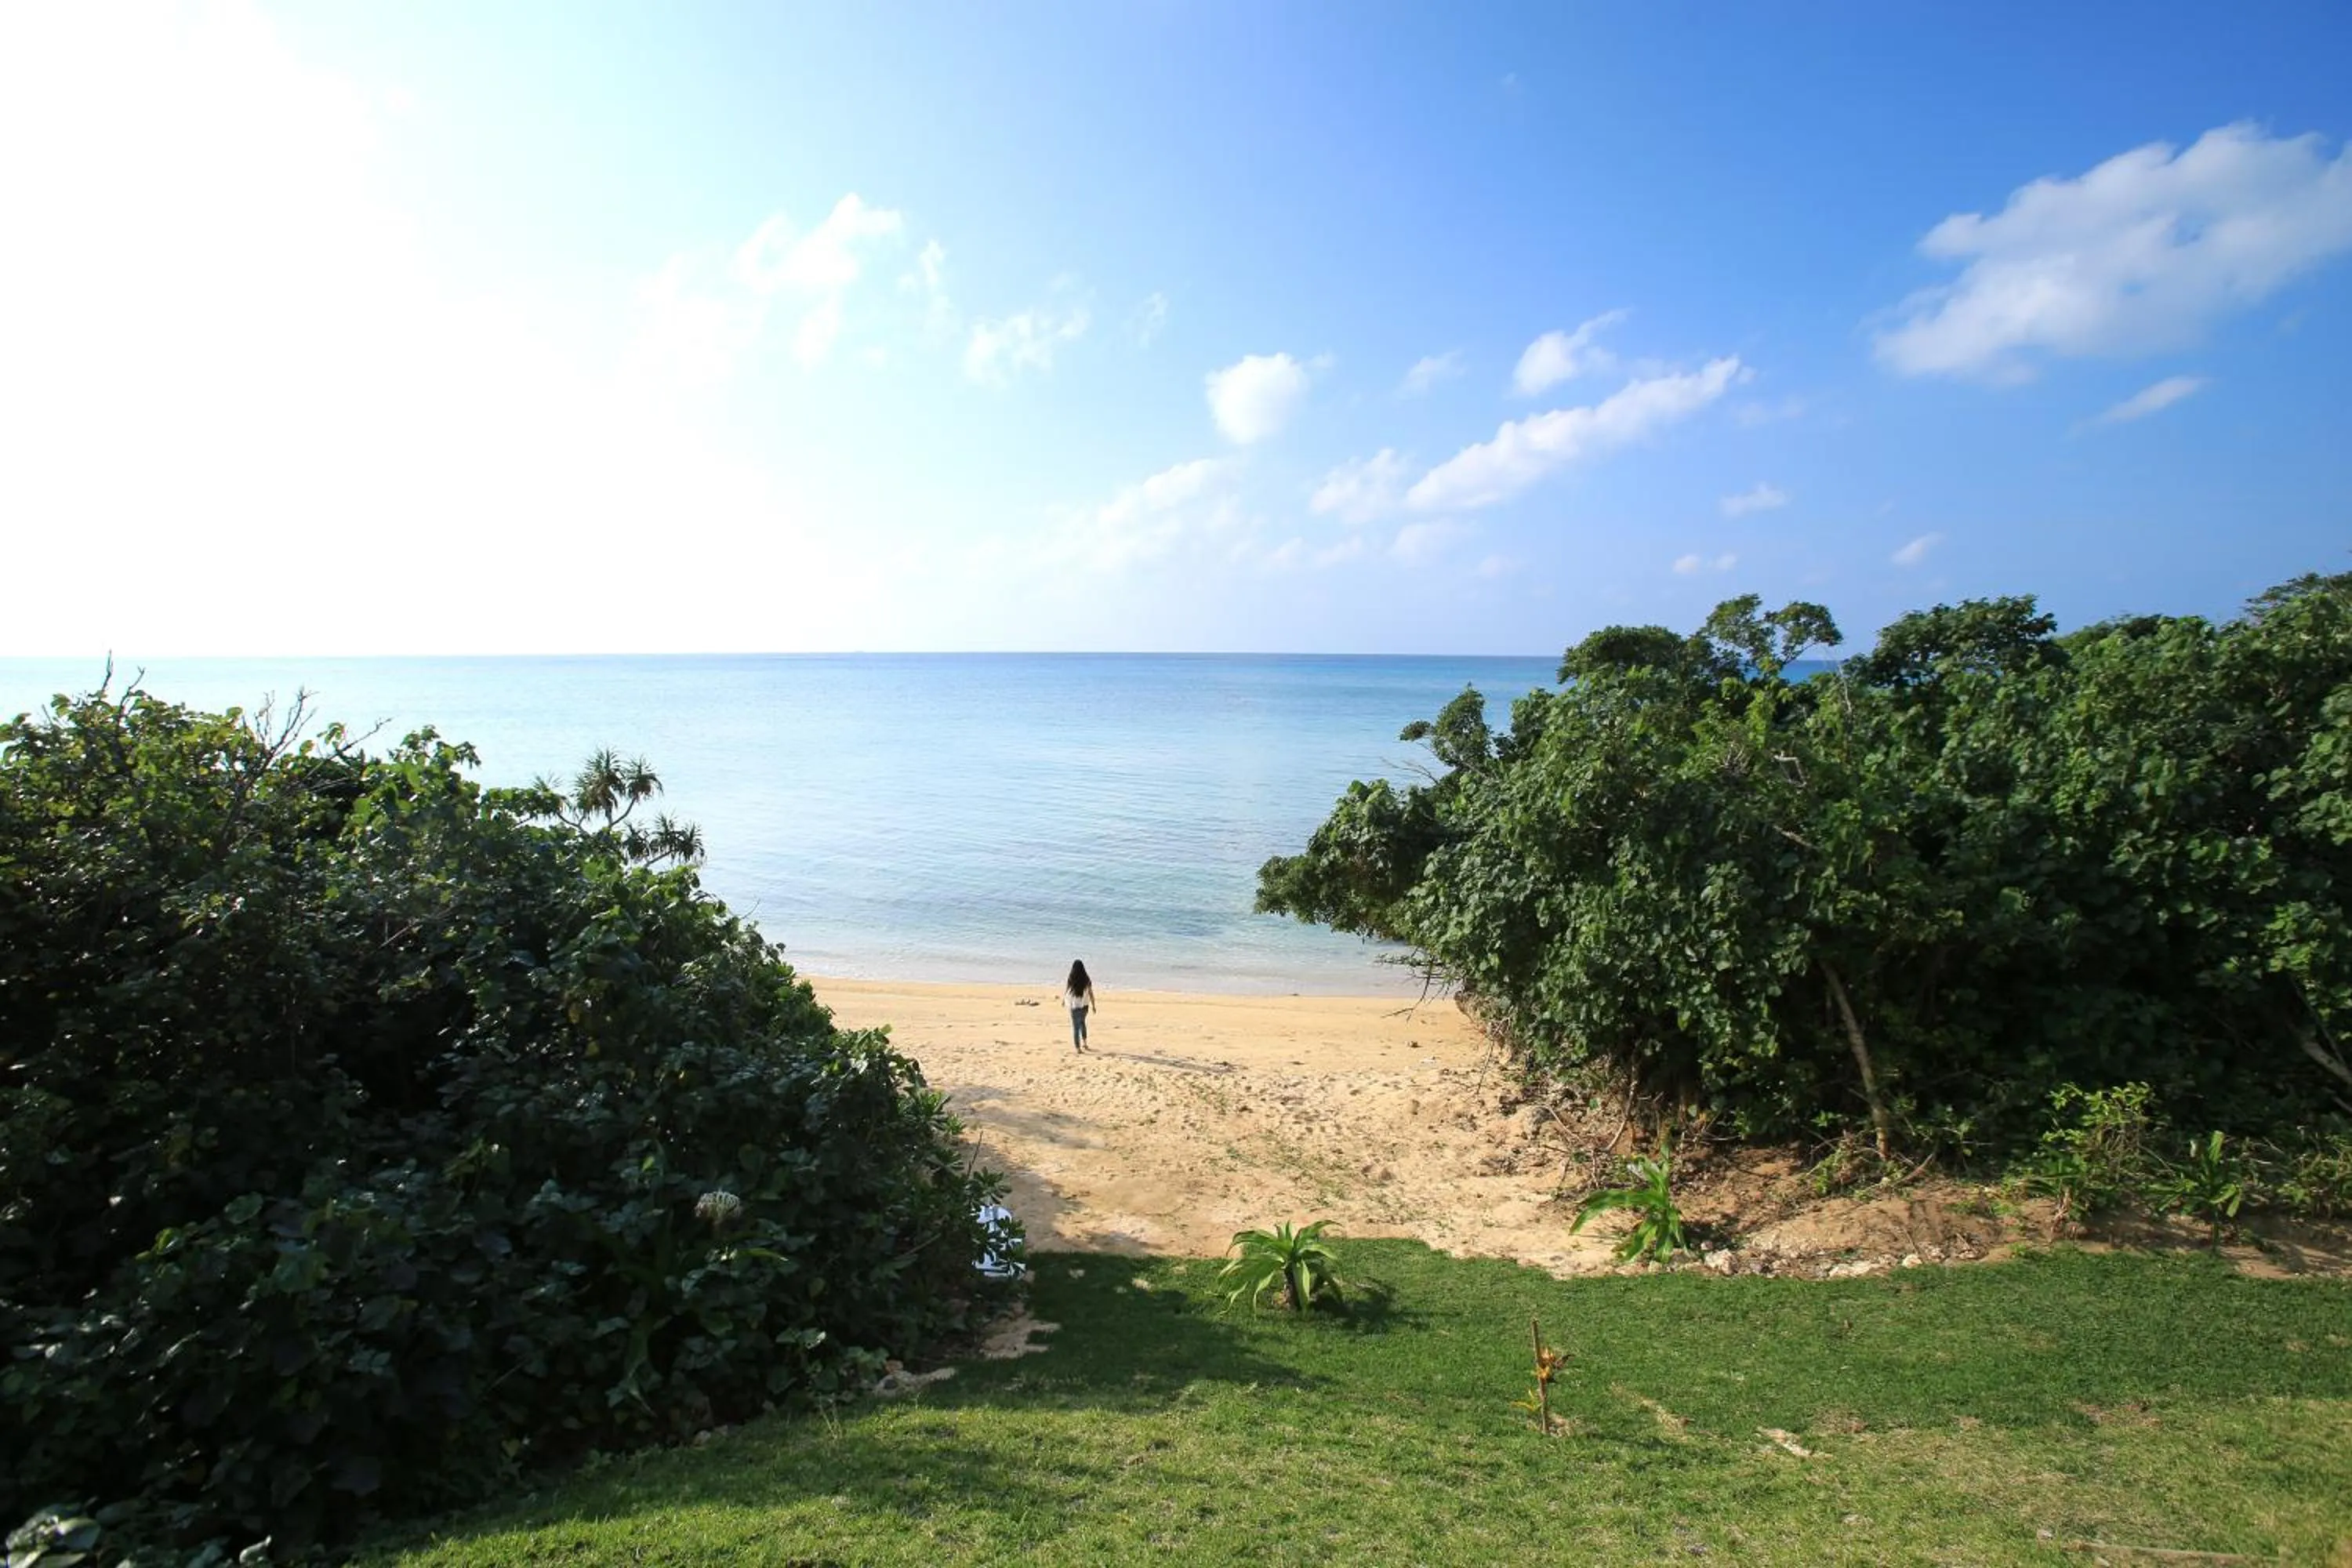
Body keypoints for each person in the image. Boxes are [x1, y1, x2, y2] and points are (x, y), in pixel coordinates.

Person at [1062, 960, 1098, 1053]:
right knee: (1082, 1023)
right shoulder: (1086, 979)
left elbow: (1067, 990)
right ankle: (1085, 1043)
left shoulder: (1071, 978)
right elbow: (1091, 993)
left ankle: (1078, 1048)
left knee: (1076, 1027)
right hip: (1084, 1006)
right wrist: (1093, 1005)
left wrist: (1063, 1000)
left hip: (1074, 1006)